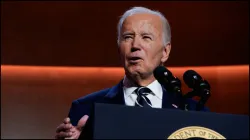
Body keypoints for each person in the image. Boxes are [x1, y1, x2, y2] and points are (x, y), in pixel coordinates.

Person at [55, 6, 209, 139]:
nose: (135, 45)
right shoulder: (86, 108)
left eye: (146, 37)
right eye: (128, 37)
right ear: (118, 48)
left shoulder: (194, 111)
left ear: (165, 51)